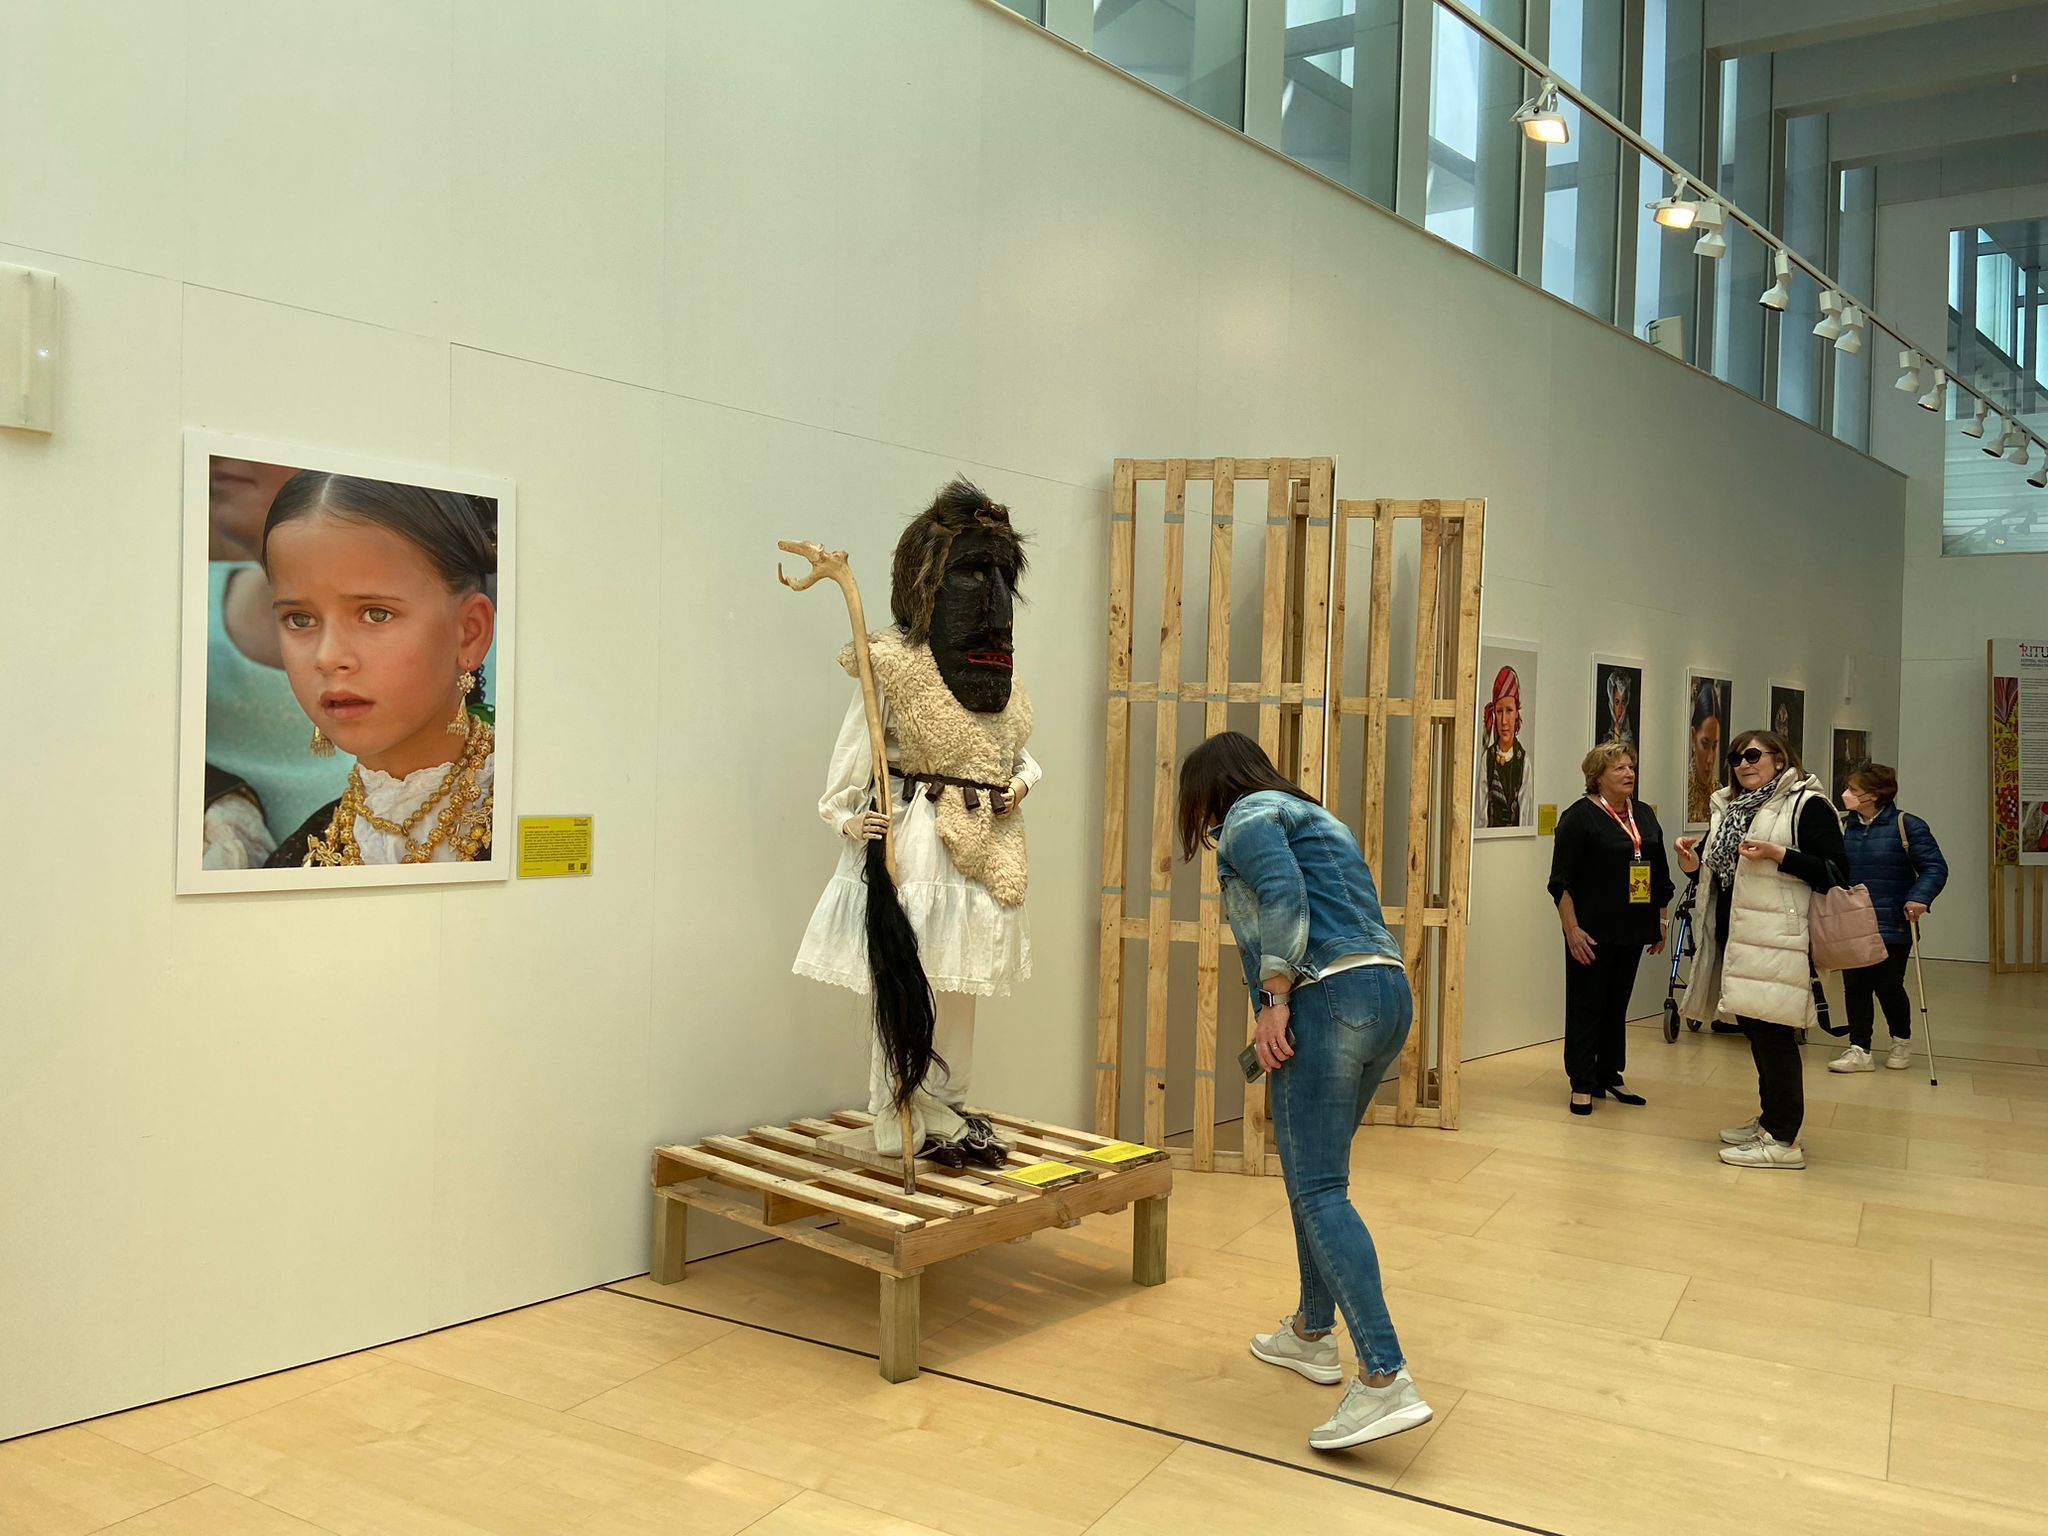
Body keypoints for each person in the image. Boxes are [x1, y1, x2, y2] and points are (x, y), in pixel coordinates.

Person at [1177, 731, 1429, 1453]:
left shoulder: (1250, 818)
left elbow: (1284, 896)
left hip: (1326, 998)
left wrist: (1274, 996)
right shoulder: (1317, 816)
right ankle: (1312, 1332)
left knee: (1319, 1189)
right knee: (1316, 1179)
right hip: (1387, 992)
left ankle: (1385, 1377)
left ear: (1211, 791)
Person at [793, 481, 1039, 1169]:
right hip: (914, 840)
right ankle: (893, 1105)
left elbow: (1016, 753)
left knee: (959, 981)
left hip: (982, 844)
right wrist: (853, 817)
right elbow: (847, 770)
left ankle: (942, 1101)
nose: (992, 596)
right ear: (930, 580)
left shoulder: (1003, 684)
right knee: (906, 974)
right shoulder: (893, 667)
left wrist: (1015, 783)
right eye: (971, 572)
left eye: (1001, 575)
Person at [259, 473, 499, 867]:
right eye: (300, 620)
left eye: (375, 614)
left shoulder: (537, 809)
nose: (328, 656)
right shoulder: (302, 857)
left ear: (469, 633)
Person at [1676, 730, 1846, 1169]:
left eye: (1752, 755)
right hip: (1738, 935)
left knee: (1775, 1034)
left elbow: (1834, 872)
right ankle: (1771, 1123)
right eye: (1735, 758)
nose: (1743, 764)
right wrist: (1694, 866)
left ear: (1778, 757)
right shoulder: (1731, 809)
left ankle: (1785, 1141)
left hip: (1780, 938)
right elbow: (1725, 879)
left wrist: (1779, 854)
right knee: (1755, 1028)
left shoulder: (1807, 805)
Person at [1548, 742, 1673, 1114]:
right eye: (1619, 768)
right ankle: (1582, 1083)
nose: (1629, 773)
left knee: (1617, 1004)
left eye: (1631, 766)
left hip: (1633, 927)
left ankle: (1609, 1074)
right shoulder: (1579, 817)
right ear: (1597, 776)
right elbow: (1561, 883)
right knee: (1587, 1004)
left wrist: (1660, 920)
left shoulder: (1645, 815)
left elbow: (1660, 872)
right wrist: (1571, 930)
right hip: (1591, 931)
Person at [1831, 764, 1948, 1073]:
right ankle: (1860, 1049)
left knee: (1888, 985)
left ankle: (1901, 1040)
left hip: (1893, 920)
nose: (1846, 795)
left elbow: (1935, 867)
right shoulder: (1844, 827)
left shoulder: (1906, 826)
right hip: (1852, 920)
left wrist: (1919, 897)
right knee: (1855, 985)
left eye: (1853, 790)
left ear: (1873, 795)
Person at [1481, 665, 1526, 828]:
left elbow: (1526, 812)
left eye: (1509, 711)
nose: (1504, 720)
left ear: (1516, 715)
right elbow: (1481, 811)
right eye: (1499, 712)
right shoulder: (1488, 758)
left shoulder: (1523, 760)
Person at [1686, 678, 1725, 827]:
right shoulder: (1682, 790)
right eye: (1705, 744)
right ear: (1693, 737)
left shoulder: (1721, 793)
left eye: (1714, 746)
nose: (1710, 759)